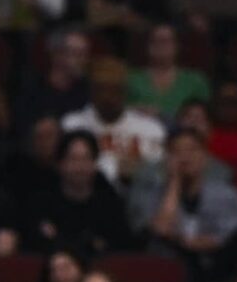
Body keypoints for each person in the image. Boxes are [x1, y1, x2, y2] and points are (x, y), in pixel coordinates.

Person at [130, 127, 237, 277]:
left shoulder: (226, 195)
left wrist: (184, 241)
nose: (185, 157)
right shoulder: (152, 193)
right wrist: (174, 182)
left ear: (205, 157)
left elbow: (227, 238)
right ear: (167, 159)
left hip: (216, 268)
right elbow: (162, 229)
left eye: (192, 150)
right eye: (177, 151)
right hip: (167, 269)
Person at [24, 130, 132, 255]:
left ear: (95, 164)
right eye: (73, 159)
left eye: (86, 159)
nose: (80, 167)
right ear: (60, 164)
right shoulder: (41, 204)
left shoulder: (110, 205)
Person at [61, 57, 166, 187]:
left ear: (124, 92)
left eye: (114, 91)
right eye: (102, 90)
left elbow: (158, 175)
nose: (107, 97)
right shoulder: (72, 125)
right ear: (92, 92)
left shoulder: (150, 128)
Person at [13, 25, 92, 134]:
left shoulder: (88, 91)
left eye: (85, 54)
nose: (83, 61)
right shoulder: (33, 92)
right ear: (57, 55)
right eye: (77, 54)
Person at [126, 23, 211, 123]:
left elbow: (203, 118)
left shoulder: (195, 81)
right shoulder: (130, 79)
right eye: (154, 41)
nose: (159, 46)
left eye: (165, 41)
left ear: (177, 46)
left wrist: (163, 116)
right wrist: (136, 110)